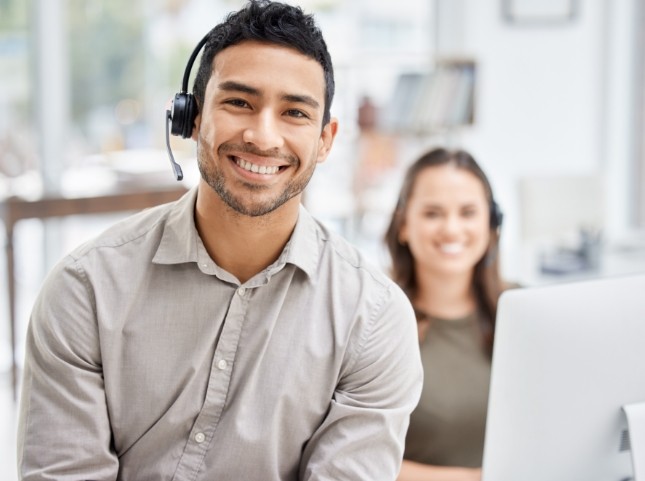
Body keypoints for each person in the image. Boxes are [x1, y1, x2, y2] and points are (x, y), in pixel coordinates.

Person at [17, 2, 423, 480]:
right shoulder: (84, 289)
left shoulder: (372, 319)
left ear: (325, 140)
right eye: (238, 102)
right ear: (189, 117)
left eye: (294, 112)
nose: (262, 136)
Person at [384, 148, 513, 481]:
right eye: (433, 213)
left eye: (468, 212)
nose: (452, 229)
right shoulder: (375, 322)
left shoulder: (521, 312)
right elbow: (356, 459)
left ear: (491, 223)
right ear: (404, 225)